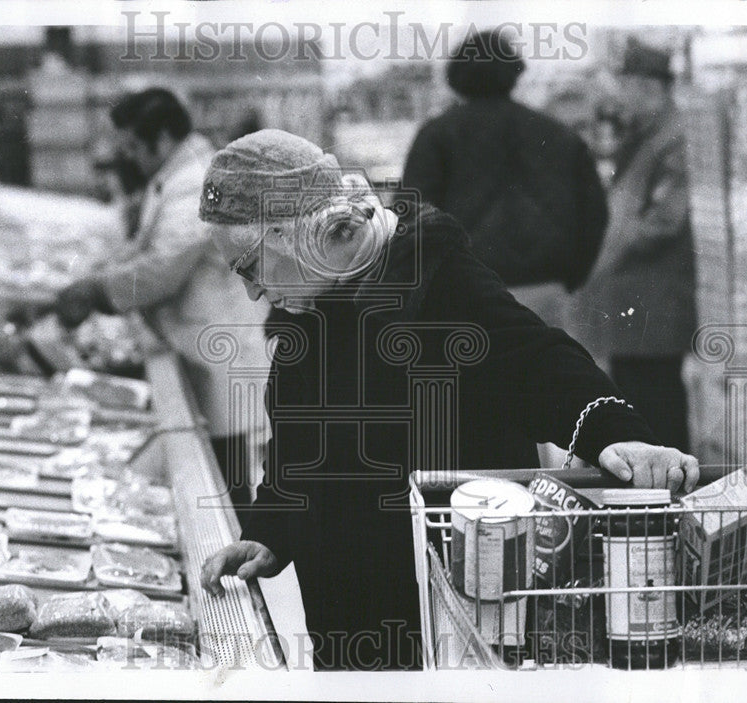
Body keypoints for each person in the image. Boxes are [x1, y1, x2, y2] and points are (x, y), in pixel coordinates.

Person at [197, 129, 699, 670]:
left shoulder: (437, 281)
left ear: (294, 232)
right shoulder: (312, 300)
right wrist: (272, 530)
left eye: (248, 266)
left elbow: (537, 360)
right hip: (348, 626)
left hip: (451, 623)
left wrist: (618, 433)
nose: (250, 290)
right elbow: (300, 437)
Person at [54, 88, 270, 510]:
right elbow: (142, 249)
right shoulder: (175, 177)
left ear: (165, 137)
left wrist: (96, 291)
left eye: (135, 146)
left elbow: (164, 268)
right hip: (201, 345)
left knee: (226, 483)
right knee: (218, 472)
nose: (130, 158)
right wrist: (94, 279)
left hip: (220, 350)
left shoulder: (197, 182)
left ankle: (237, 563)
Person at [403, 28, 608, 319]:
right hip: (546, 288)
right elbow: (594, 214)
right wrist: (572, 277)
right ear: (514, 72)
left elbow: (414, 218)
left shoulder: (437, 136)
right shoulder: (559, 135)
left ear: (457, 77)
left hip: (467, 292)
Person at [569, 39, 697, 453]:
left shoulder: (672, 139)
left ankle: (666, 506)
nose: (620, 96)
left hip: (654, 308)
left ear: (649, 87)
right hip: (637, 311)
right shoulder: (648, 135)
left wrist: (611, 251)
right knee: (641, 406)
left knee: (656, 412)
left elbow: (664, 220)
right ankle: (652, 504)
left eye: (626, 85)